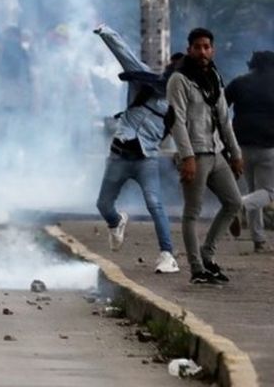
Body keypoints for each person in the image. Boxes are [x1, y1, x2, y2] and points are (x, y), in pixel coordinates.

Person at [92, 24, 180, 273]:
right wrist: (106, 32)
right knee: (103, 205)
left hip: (146, 160)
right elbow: (125, 54)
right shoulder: (145, 79)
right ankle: (116, 221)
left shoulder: (178, 104)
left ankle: (167, 255)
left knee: (155, 204)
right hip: (119, 155)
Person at [167, 28, 244, 284]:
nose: (202, 52)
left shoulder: (214, 76)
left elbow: (224, 118)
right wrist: (186, 156)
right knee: (192, 213)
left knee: (233, 202)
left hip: (215, 151)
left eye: (207, 47)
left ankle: (207, 255)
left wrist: (235, 153)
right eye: (198, 47)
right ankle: (196, 268)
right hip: (195, 155)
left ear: (213, 49)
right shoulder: (179, 79)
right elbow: (176, 120)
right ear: (189, 49)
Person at [225, 50, 274, 252]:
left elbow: (220, 107)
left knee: (255, 193)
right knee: (269, 193)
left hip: (241, 145)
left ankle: (259, 240)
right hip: (268, 145)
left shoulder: (238, 82)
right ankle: (240, 205)